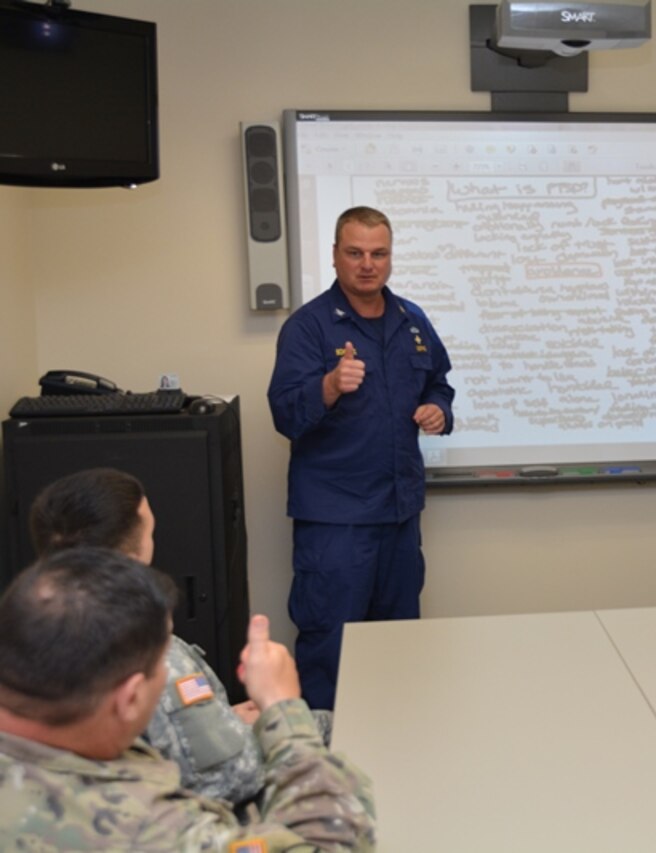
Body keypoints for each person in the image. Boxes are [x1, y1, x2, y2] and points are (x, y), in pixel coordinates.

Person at [0, 547, 375, 850]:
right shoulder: (145, 830)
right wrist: (282, 707)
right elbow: (333, 841)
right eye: (162, 665)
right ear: (130, 698)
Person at [27, 466, 332, 805]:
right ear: (132, 557)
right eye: (151, 531)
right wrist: (278, 710)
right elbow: (231, 780)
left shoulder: (30, 633)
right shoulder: (151, 651)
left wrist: (222, 720)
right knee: (333, 729)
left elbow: (166, 735)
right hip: (208, 819)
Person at [268, 205, 455, 710]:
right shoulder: (308, 328)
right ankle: (325, 770)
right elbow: (284, 413)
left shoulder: (411, 319)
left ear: (390, 257)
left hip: (398, 514)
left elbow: (439, 380)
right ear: (335, 256)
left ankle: (399, 751)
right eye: (355, 253)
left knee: (398, 648)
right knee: (332, 649)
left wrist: (438, 409)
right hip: (336, 521)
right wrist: (328, 386)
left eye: (378, 253)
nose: (367, 264)